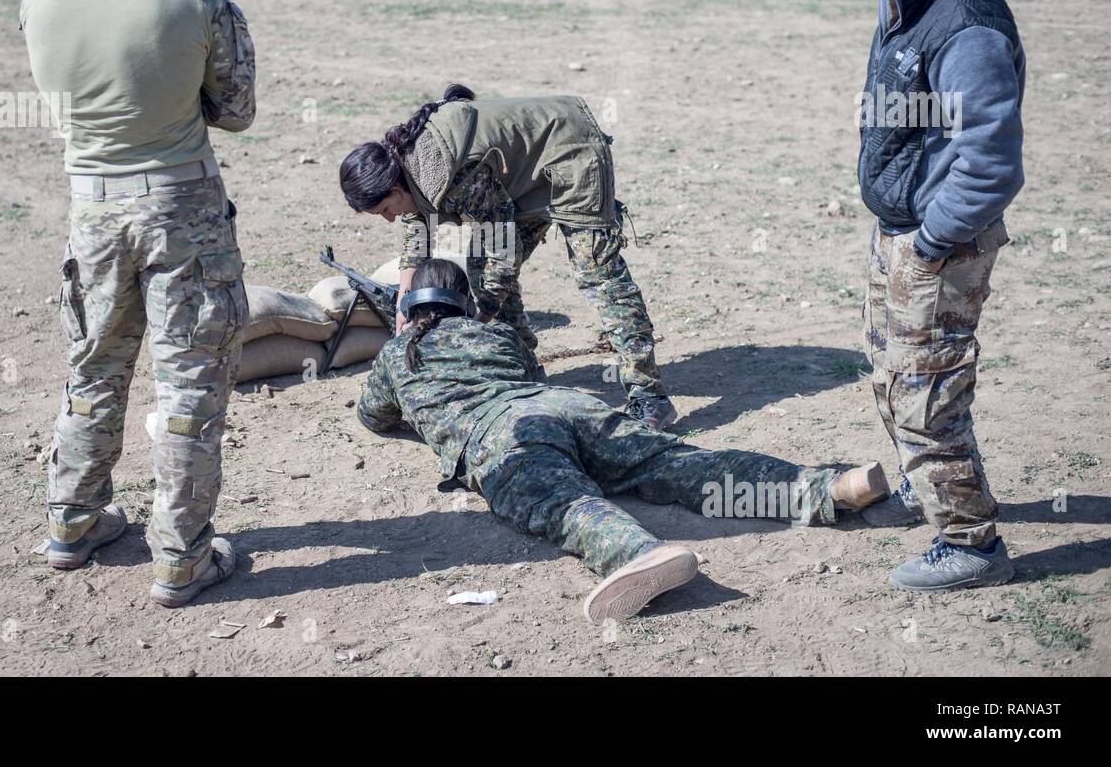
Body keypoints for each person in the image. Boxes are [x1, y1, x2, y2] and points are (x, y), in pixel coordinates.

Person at [356, 260, 891, 622]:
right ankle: (828, 487)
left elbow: (373, 417)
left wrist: (404, 357)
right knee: (677, 462)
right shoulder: (498, 333)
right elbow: (527, 372)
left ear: (406, 305)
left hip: (505, 434)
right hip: (569, 406)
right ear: (464, 301)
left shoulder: (396, 356)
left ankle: (640, 555)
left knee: (563, 503)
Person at [20, 0, 256, 607]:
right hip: (180, 208)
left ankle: (73, 521)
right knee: (188, 383)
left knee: (92, 367)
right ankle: (182, 556)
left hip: (90, 208)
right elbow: (239, 106)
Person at [825, 0, 1025, 591]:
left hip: (939, 243)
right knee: (893, 375)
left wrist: (935, 238)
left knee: (927, 391)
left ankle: (971, 543)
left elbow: (992, 162)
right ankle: (931, 484)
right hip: (904, 230)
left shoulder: (964, 21)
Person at [339, 84, 678, 430]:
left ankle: (649, 394)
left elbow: (502, 252)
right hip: (517, 176)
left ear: (395, 189)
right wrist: (403, 309)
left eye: (385, 210)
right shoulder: (405, 166)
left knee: (598, 273)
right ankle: (525, 370)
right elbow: (417, 235)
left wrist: (481, 317)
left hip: (569, 150)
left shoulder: (454, 175)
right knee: (477, 265)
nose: (389, 218)